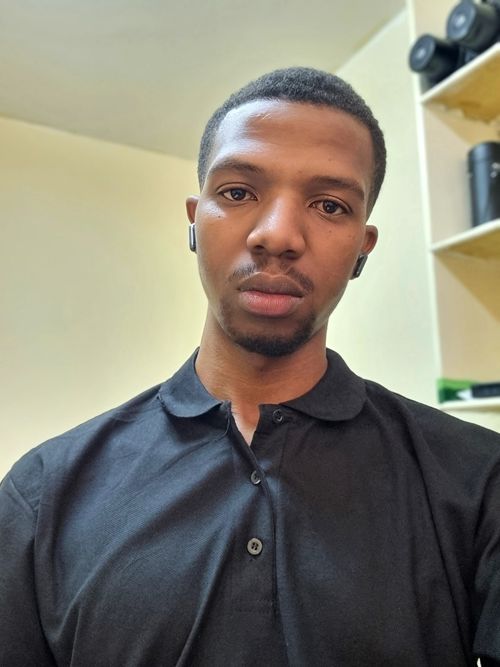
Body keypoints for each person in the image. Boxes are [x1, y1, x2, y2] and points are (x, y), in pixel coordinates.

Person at [1, 67, 499, 667]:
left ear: (361, 249)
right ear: (195, 219)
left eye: (329, 205)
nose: (278, 235)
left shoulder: (479, 482)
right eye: (238, 193)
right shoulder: (43, 494)